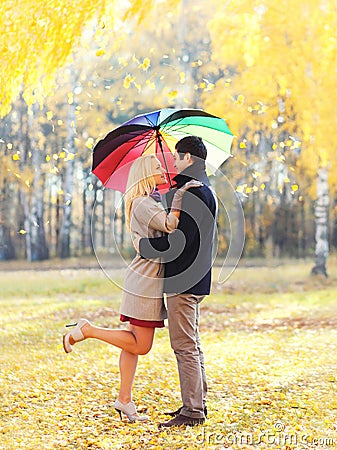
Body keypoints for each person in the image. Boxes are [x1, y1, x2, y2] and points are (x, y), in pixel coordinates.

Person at [62, 154, 201, 423]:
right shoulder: (142, 203)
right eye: (158, 167)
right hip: (146, 282)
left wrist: (173, 195)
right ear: (147, 172)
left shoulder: (148, 202)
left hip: (145, 279)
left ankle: (124, 400)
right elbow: (171, 225)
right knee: (141, 345)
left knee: (132, 344)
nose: (164, 169)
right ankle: (87, 330)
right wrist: (182, 194)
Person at [137, 136, 217, 428]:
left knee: (184, 346)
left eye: (177, 156)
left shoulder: (193, 193)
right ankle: (198, 404)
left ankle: (193, 411)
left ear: (190, 158)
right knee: (192, 344)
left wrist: (145, 247)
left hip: (184, 280)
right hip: (195, 279)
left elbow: (179, 241)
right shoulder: (204, 190)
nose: (173, 161)